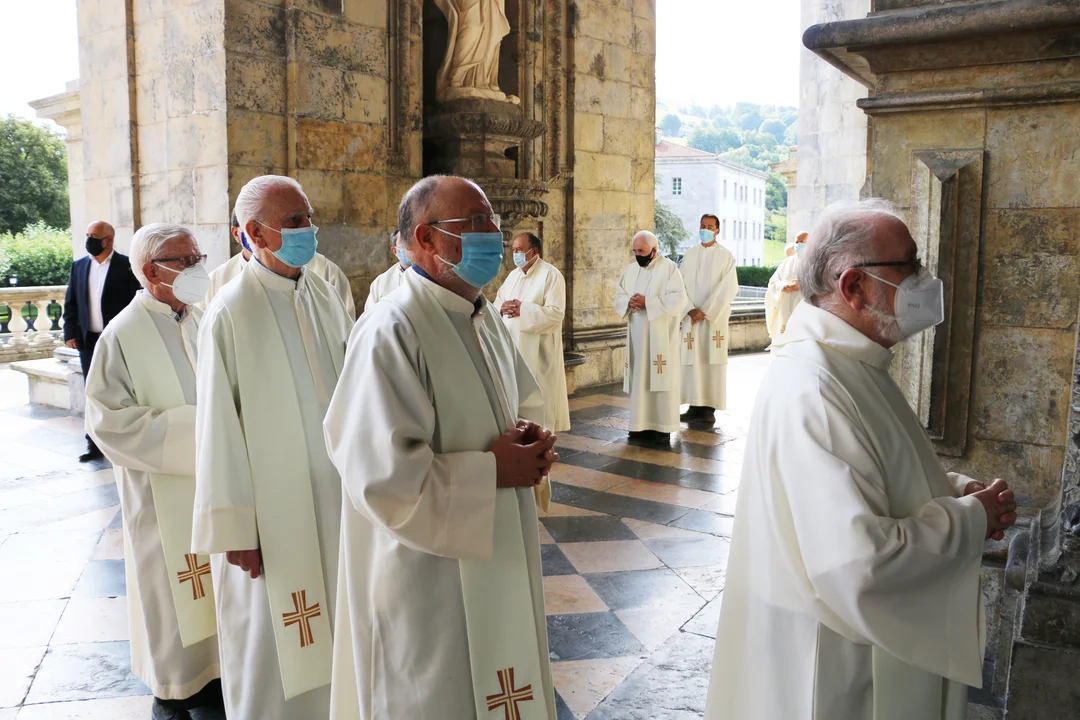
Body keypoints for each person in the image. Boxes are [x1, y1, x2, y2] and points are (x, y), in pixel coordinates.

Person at [704, 199, 1018, 720]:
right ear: (853, 287)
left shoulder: (850, 362)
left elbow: (875, 470)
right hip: (839, 671)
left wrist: (952, 490)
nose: (924, 280)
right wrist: (970, 520)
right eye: (909, 265)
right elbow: (857, 565)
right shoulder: (814, 386)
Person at [324, 175, 558, 719]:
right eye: (475, 223)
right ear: (426, 238)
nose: (492, 234)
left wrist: (531, 437)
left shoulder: (482, 315)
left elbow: (514, 403)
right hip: (427, 570)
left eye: (493, 222)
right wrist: (490, 471)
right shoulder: (391, 328)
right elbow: (380, 478)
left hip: (496, 538)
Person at [192, 176, 353, 719]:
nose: (310, 230)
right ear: (255, 234)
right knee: (273, 643)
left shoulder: (323, 294)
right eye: (294, 222)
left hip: (336, 502)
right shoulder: (230, 311)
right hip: (272, 518)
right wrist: (235, 527)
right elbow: (216, 426)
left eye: (309, 218)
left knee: (340, 632)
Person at [85, 223, 223, 720]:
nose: (196, 268)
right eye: (183, 260)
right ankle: (176, 693)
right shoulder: (123, 334)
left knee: (218, 598)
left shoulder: (205, 319)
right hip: (161, 495)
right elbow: (108, 422)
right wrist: (202, 432)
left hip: (216, 487)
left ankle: (219, 678)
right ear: (149, 270)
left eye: (197, 257)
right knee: (172, 597)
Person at [63, 220, 140, 462]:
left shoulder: (127, 266)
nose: (89, 240)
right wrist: (69, 333)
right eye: (88, 235)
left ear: (108, 239)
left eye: (94, 236)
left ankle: (125, 439)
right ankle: (93, 443)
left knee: (123, 388)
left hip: (119, 340)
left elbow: (136, 303)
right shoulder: (79, 266)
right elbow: (71, 302)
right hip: (88, 340)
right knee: (92, 390)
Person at [201, 213, 356, 319]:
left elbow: (345, 331)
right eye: (255, 229)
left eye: (307, 217)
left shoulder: (325, 271)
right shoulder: (217, 281)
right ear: (236, 233)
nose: (259, 234)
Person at [613, 230, 687, 444]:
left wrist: (649, 303)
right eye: (635, 251)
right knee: (641, 378)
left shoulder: (669, 269)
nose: (638, 255)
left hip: (661, 336)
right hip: (638, 335)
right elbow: (619, 294)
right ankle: (639, 425)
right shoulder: (631, 270)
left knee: (661, 380)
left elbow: (679, 299)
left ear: (654, 250)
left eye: (642, 251)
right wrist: (629, 301)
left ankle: (662, 427)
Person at [494, 231, 570, 433]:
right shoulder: (513, 276)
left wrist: (524, 309)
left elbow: (556, 313)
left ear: (534, 251)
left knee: (539, 395)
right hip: (512, 346)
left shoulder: (551, 275)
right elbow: (498, 302)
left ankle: (542, 436)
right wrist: (503, 307)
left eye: (519, 250)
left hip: (539, 351)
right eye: (513, 250)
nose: (515, 254)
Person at [679, 214, 739, 425]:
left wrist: (705, 311)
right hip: (691, 319)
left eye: (710, 227)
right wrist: (689, 309)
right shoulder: (690, 255)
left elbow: (728, 286)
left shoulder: (725, 256)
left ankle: (708, 409)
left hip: (714, 320)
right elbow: (679, 285)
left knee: (710, 361)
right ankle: (693, 406)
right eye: (703, 226)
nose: (706, 229)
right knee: (692, 362)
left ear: (717, 230)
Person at [764, 231, 808, 339]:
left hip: (805, 312)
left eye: (802, 242)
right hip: (785, 311)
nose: (799, 245)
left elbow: (824, 286)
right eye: (797, 242)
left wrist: (803, 284)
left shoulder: (816, 263)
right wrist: (783, 286)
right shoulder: (787, 262)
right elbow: (773, 282)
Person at [362, 228, 411, 312]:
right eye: (404, 243)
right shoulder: (381, 282)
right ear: (395, 251)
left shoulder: (431, 275)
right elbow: (371, 314)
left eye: (411, 242)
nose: (409, 247)